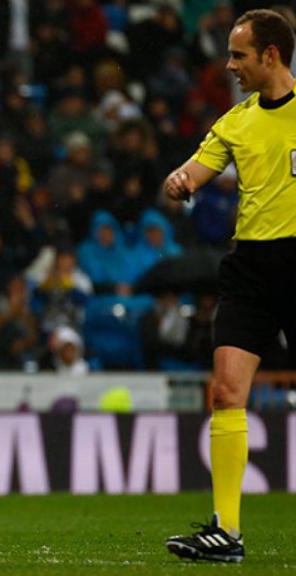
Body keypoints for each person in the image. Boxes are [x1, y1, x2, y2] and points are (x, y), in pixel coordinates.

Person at [163, 9, 296, 564]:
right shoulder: (236, 121)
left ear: (271, 55)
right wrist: (180, 181)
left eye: (239, 55)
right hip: (251, 268)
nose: (229, 65)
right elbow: (194, 172)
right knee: (225, 392)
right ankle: (227, 531)